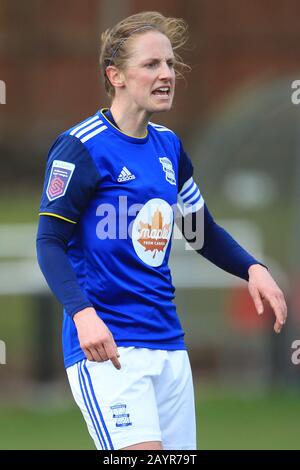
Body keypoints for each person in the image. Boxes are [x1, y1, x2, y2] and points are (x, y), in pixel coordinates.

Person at [36, 11, 287, 451]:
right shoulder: (81, 147)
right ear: (116, 75)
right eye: (152, 64)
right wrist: (82, 314)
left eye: (170, 64)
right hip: (109, 349)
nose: (167, 74)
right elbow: (49, 241)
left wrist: (253, 269)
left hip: (169, 348)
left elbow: (199, 230)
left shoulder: (169, 147)